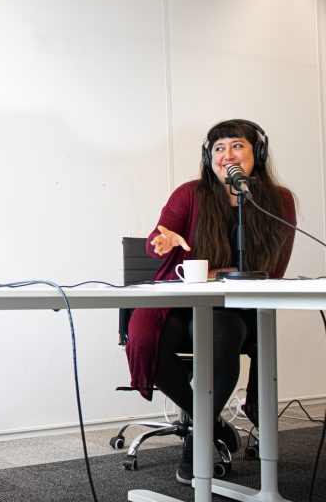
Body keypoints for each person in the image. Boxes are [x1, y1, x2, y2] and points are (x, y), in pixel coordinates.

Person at [125, 119, 295, 485]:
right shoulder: (190, 193)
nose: (226, 155)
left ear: (257, 155)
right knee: (144, 339)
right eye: (219, 148)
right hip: (183, 301)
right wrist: (162, 242)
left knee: (224, 333)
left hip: (237, 306)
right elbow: (159, 237)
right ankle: (207, 424)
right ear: (208, 156)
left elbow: (275, 268)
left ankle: (196, 442)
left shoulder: (278, 201)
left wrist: (228, 275)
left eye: (237, 146)